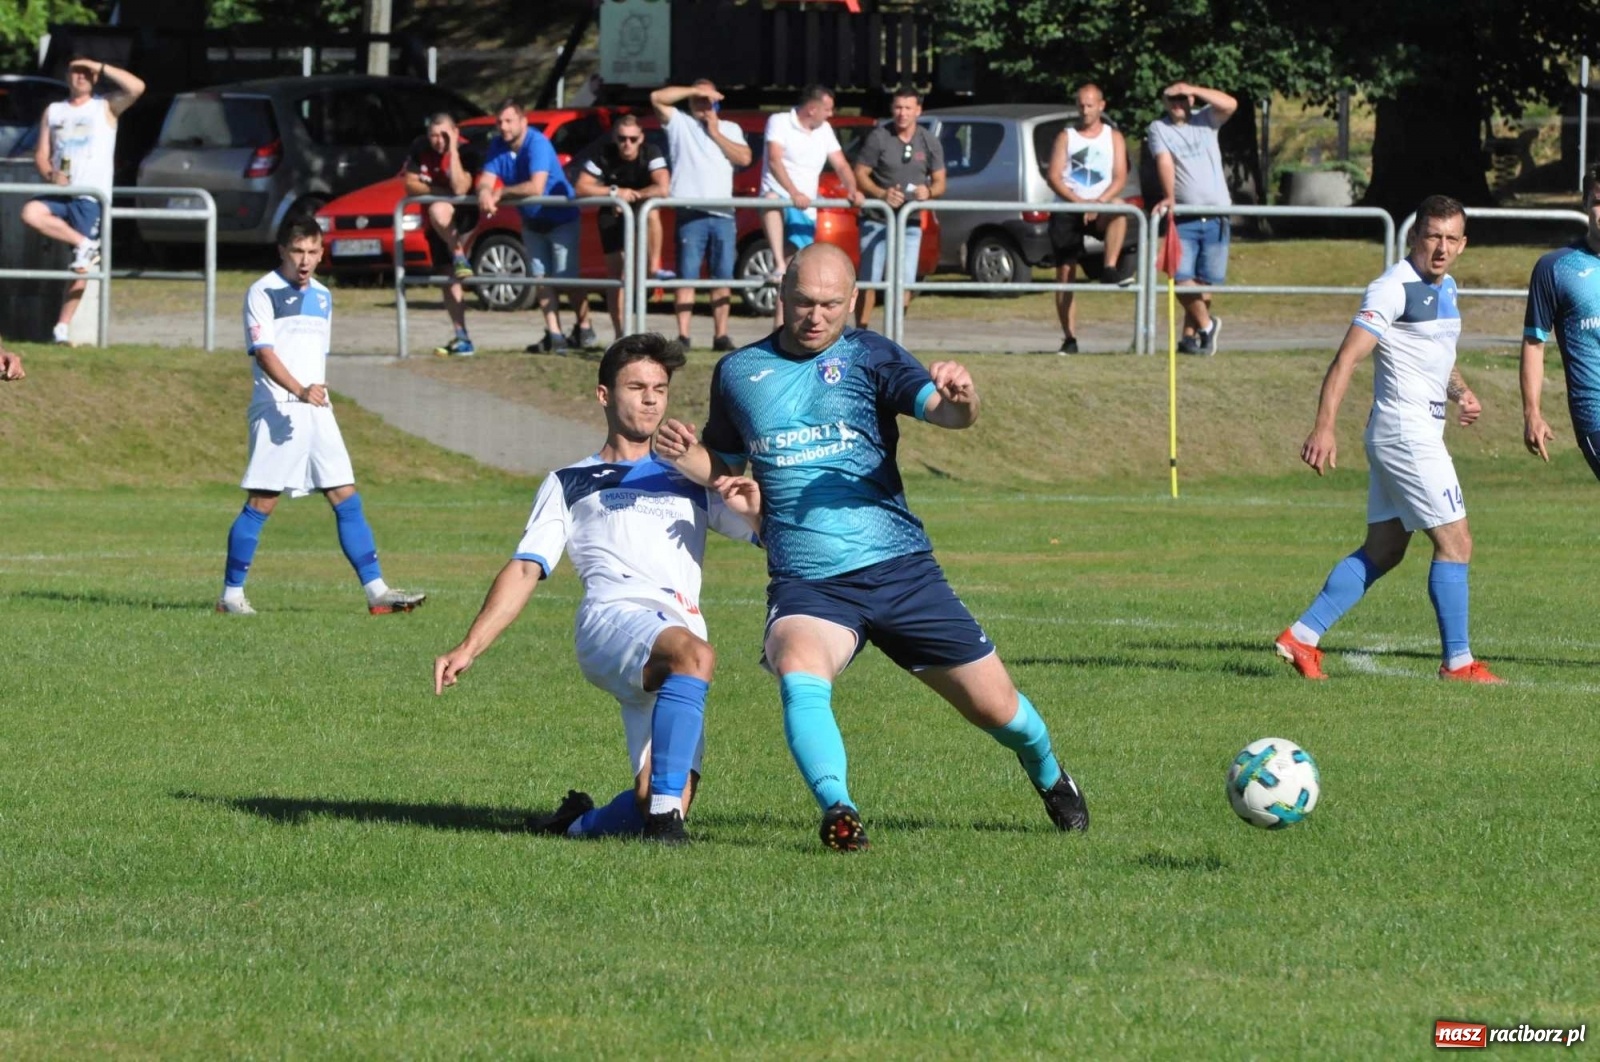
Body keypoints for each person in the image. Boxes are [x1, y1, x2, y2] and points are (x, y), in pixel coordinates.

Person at [655, 243, 1090, 851]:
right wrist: (686, 456)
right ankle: (840, 808)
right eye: (803, 302)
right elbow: (723, 466)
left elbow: (946, 414)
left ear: (853, 300)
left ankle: (1048, 772)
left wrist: (964, 399)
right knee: (797, 667)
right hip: (809, 583)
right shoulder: (740, 373)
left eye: (830, 304)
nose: (815, 316)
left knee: (999, 711)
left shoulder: (869, 354)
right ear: (779, 297)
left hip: (902, 573)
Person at [433, 333, 763, 845]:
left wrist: (754, 503)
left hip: (674, 633)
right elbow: (526, 567)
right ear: (605, 395)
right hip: (614, 620)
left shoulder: (691, 478)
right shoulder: (571, 480)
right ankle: (665, 831)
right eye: (637, 387)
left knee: (655, 793)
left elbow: (766, 534)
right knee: (696, 658)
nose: (651, 398)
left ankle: (577, 824)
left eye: (660, 387)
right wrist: (469, 646)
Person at [1274, 196, 1499, 684]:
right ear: (1415, 237)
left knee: (1385, 548)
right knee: (1456, 542)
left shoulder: (1448, 287)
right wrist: (1324, 426)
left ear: (1463, 244)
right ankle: (1458, 663)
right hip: (1407, 433)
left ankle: (1302, 637)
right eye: (1433, 236)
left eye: (1451, 238)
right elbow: (1347, 358)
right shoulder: (1391, 288)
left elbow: (1436, 355)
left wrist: (1462, 393)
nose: (1441, 248)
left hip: (1413, 429)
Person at [218, 216, 427, 617]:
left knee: (345, 496)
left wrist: (312, 396)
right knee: (262, 502)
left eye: (313, 251)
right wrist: (298, 390)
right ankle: (230, 596)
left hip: (317, 409)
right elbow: (265, 354)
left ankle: (377, 592)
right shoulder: (262, 291)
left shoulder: (324, 295)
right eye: (298, 251)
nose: (305, 260)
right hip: (278, 409)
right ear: (282, 250)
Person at [20, 57, 144, 346]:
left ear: (95, 78)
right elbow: (41, 152)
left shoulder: (105, 107)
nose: (81, 77)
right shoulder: (54, 111)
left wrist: (99, 65)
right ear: (67, 76)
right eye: (76, 72)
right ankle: (84, 244)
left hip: (91, 196)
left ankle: (62, 327)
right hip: (63, 192)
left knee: (80, 268)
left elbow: (137, 88)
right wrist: (50, 174)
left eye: (87, 74)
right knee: (30, 212)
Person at [476, 98, 590, 353]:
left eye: (509, 121)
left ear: (522, 121)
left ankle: (584, 327)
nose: (503, 127)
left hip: (562, 219)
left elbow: (535, 186)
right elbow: (486, 179)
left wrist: (500, 192)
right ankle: (555, 334)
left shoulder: (537, 143)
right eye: (499, 122)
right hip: (532, 221)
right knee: (541, 279)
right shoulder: (497, 145)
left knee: (566, 278)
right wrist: (485, 191)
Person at [651, 80, 752, 352]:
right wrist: (694, 91)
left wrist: (716, 132)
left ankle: (721, 335)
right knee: (687, 277)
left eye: (708, 99)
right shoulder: (680, 123)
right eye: (698, 99)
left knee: (722, 278)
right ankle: (683, 335)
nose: (702, 104)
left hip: (722, 215)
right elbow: (657, 98)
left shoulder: (730, 128)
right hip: (690, 212)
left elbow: (744, 158)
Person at [759, 85, 864, 325]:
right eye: (827, 109)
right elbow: (774, 160)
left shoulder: (824, 130)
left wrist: (852, 189)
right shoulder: (779, 121)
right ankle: (775, 260)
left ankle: (781, 327)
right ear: (812, 108)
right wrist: (793, 192)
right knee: (772, 202)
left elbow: (840, 164)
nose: (830, 114)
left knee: (793, 271)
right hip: (781, 195)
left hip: (806, 207)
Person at [1520, 164, 1600, 475]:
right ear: (1585, 205)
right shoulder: (1555, 268)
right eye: (1597, 202)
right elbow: (1533, 343)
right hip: (1595, 414)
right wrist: (1532, 413)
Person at [1147, 81, 1235, 355]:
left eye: (1182, 99)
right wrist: (1169, 196)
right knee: (1180, 278)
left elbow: (1231, 104)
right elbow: (1164, 161)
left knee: (1204, 282)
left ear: (1192, 100)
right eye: (1172, 99)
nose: (1178, 104)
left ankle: (1190, 339)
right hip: (1184, 215)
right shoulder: (1158, 129)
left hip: (1217, 214)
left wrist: (1193, 89)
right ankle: (1208, 326)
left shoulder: (1206, 119)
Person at [1045, 83, 1131, 354]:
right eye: (1081, 105)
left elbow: (1120, 177)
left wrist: (1098, 203)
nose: (1085, 110)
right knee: (1065, 274)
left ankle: (1109, 267)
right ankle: (1069, 338)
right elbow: (1055, 177)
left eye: (1090, 105)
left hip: (1100, 205)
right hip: (1069, 207)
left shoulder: (1112, 136)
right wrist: (1080, 203)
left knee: (1120, 209)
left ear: (1101, 106)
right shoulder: (1067, 136)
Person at [852, 87, 945, 331]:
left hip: (910, 222)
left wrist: (929, 191)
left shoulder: (928, 140)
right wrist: (882, 194)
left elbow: (940, 182)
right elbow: (860, 173)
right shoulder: (879, 137)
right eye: (898, 107)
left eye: (907, 108)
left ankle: (895, 334)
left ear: (918, 110)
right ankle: (861, 332)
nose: (902, 113)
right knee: (869, 280)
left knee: (905, 282)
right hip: (876, 219)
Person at [572, 115, 671, 343]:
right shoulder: (604, 154)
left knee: (653, 212)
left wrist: (635, 196)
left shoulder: (651, 152)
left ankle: (653, 267)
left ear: (641, 138)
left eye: (633, 139)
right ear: (615, 138)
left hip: (642, 210)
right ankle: (621, 335)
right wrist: (615, 193)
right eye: (622, 138)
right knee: (618, 276)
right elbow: (581, 187)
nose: (627, 144)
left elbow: (662, 187)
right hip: (612, 214)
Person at [403, 112, 482, 358]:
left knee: (438, 208)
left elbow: (460, 188)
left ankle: (459, 252)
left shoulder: (468, 151)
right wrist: (439, 190)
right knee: (449, 279)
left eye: (443, 135)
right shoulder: (420, 148)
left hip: (464, 219)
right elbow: (410, 184)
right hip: (437, 226)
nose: (438, 141)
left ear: (455, 132)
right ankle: (461, 336)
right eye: (433, 136)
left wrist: (453, 151)